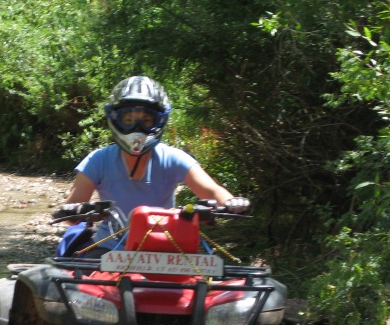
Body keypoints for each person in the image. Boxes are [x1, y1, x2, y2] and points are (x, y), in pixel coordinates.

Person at [56, 75, 249, 257]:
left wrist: (231, 202)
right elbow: (71, 213)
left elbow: (212, 190)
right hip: (109, 249)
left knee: (203, 286)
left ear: (159, 120)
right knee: (82, 286)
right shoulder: (98, 160)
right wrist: (78, 211)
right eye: (129, 120)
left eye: (146, 120)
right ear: (115, 118)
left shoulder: (172, 158)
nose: (137, 128)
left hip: (165, 251)